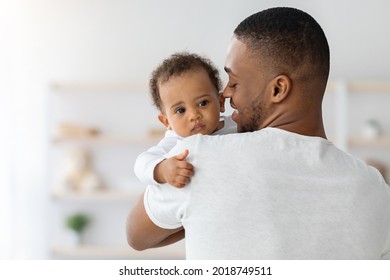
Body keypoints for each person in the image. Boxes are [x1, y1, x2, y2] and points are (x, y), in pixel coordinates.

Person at [126, 7, 390, 259]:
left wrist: (205, 211)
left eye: (234, 82)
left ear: (278, 90)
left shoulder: (197, 159)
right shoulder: (375, 189)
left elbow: (135, 235)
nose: (226, 94)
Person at [134, 52, 236, 189]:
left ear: (221, 102)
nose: (194, 115)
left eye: (203, 103)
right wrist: (163, 170)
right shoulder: (174, 142)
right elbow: (141, 164)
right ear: (166, 122)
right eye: (180, 110)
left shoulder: (236, 126)